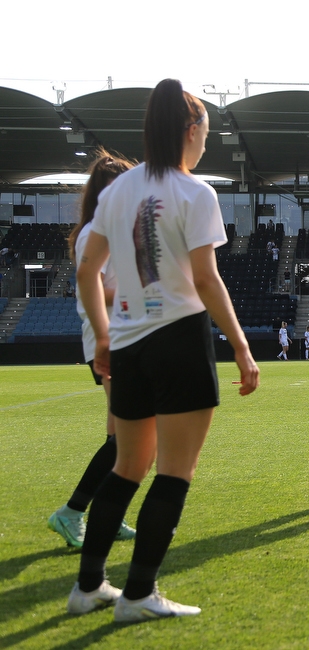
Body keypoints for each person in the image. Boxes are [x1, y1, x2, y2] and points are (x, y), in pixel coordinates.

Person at [70, 79, 259, 621]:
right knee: (174, 471)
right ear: (190, 130)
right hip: (178, 340)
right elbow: (206, 279)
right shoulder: (196, 193)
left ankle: (88, 587)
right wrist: (243, 348)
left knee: (126, 467)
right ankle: (138, 594)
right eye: (206, 130)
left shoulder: (118, 190)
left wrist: (103, 335)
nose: (207, 141)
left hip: (127, 344)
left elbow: (87, 270)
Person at [48, 149, 138, 550]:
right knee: (127, 440)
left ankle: (107, 512)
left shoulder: (118, 231)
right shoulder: (94, 234)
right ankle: (72, 511)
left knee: (119, 437)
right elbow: (93, 292)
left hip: (125, 338)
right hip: (109, 342)